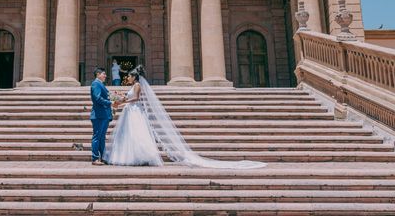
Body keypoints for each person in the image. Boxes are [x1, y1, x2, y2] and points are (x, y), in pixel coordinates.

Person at [105, 65, 266, 169]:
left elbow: (137, 99)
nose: (129, 78)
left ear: (135, 77)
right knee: (131, 136)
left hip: (134, 111)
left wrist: (122, 101)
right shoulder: (134, 85)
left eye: (131, 76)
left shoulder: (138, 85)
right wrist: (121, 100)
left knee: (137, 135)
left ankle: (138, 156)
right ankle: (133, 156)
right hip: (131, 112)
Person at [89, 67, 115, 165]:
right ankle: (95, 158)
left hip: (103, 114)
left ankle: (103, 157)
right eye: (104, 74)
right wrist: (110, 103)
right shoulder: (96, 84)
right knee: (97, 136)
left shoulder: (100, 84)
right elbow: (97, 98)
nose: (105, 76)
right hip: (98, 115)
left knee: (102, 137)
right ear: (98, 74)